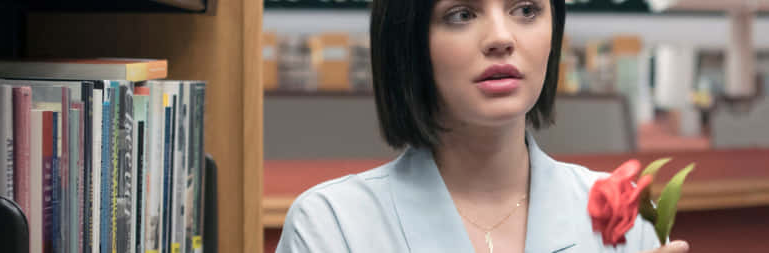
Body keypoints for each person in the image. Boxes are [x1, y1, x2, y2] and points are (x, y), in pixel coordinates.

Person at [275, 0, 691, 252]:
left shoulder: (622, 213)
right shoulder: (333, 226)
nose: (501, 37)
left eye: (526, 10)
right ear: (409, 42)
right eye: (461, 14)